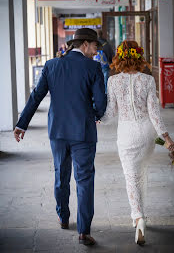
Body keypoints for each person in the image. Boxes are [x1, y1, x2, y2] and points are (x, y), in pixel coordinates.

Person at [13, 28, 106, 246]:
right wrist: (94, 115)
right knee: (84, 180)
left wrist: (21, 124)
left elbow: (36, 96)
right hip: (83, 132)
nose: (96, 51)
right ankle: (83, 231)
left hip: (57, 132)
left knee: (60, 175)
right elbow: (101, 103)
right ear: (84, 44)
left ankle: (63, 217)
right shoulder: (93, 67)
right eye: (95, 46)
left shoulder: (51, 65)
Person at [100, 40, 174, 245]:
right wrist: (166, 138)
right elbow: (154, 114)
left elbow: (110, 113)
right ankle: (139, 216)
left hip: (126, 135)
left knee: (130, 177)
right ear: (138, 56)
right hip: (147, 135)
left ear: (119, 57)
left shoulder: (113, 81)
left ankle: (138, 217)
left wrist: (96, 119)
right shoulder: (148, 80)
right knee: (141, 175)